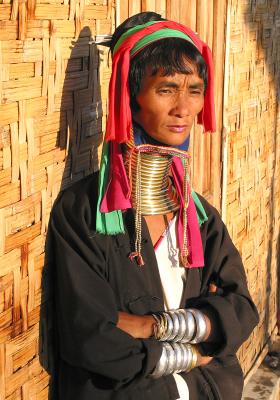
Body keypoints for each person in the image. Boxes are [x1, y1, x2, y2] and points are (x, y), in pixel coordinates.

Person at [50, 11, 259, 400]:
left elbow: (243, 311)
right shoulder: (83, 213)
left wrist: (153, 327)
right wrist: (200, 340)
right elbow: (92, 341)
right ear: (130, 96)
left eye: (194, 89)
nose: (184, 107)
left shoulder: (199, 217)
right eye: (166, 89)